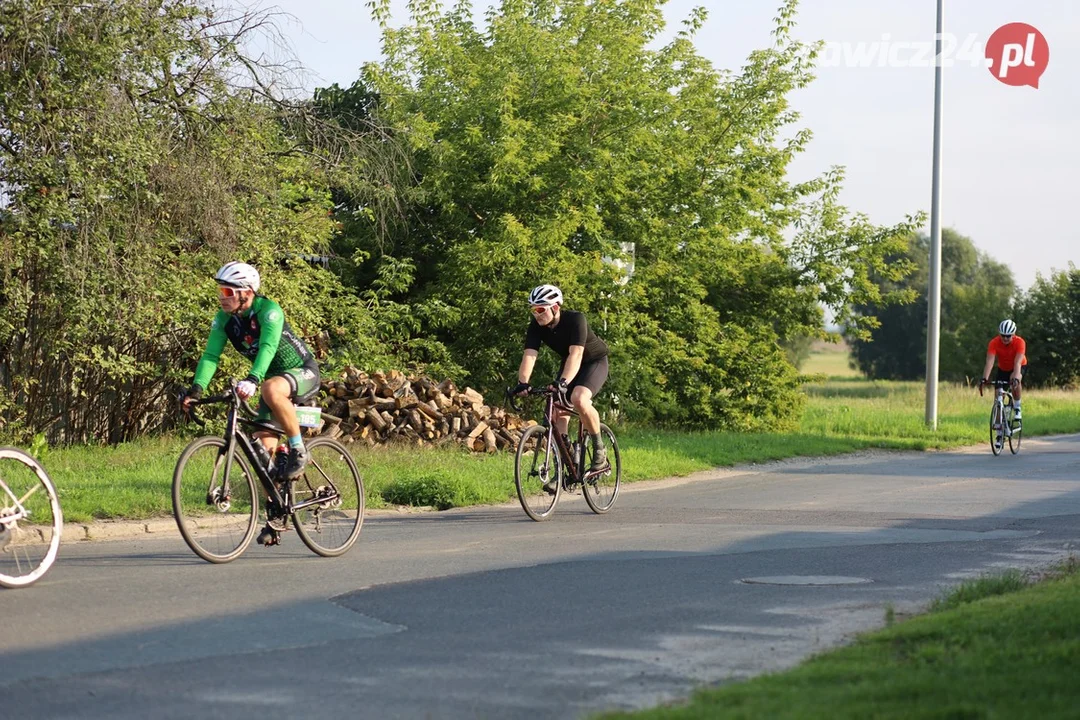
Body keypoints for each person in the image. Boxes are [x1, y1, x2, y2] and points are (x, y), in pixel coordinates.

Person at [182, 261, 320, 481]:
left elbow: (268, 347)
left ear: (246, 292)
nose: (221, 297)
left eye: (227, 291)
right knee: (263, 458)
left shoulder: (269, 311)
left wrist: (253, 379)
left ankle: (298, 449)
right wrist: (197, 389)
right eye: (220, 290)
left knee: (270, 387)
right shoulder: (224, 319)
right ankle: (275, 509)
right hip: (270, 382)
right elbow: (210, 356)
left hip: (302, 371)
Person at [511, 284, 611, 479]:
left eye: (540, 309)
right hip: (570, 363)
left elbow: (577, 353)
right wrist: (523, 383)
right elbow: (530, 356)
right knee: (555, 411)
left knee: (579, 399)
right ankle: (567, 460)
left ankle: (599, 449)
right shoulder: (536, 327)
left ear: (555, 307)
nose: (536, 314)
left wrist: (563, 382)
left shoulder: (576, 319)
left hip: (593, 361)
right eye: (533, 310)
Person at [978, 318, 1027, 425]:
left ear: (1013, 334)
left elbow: (1017, 362)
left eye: (1008, 336)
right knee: (998, 396)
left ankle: (1017, 406)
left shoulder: (1020, 342)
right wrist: (985, 378)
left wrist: (1015, 378)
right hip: (1003, 368)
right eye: (1002, 335)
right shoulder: (994, 342)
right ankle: (999, 431)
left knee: (1015, 379)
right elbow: (990, 362)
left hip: (1018, 366)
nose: (1005, 338)